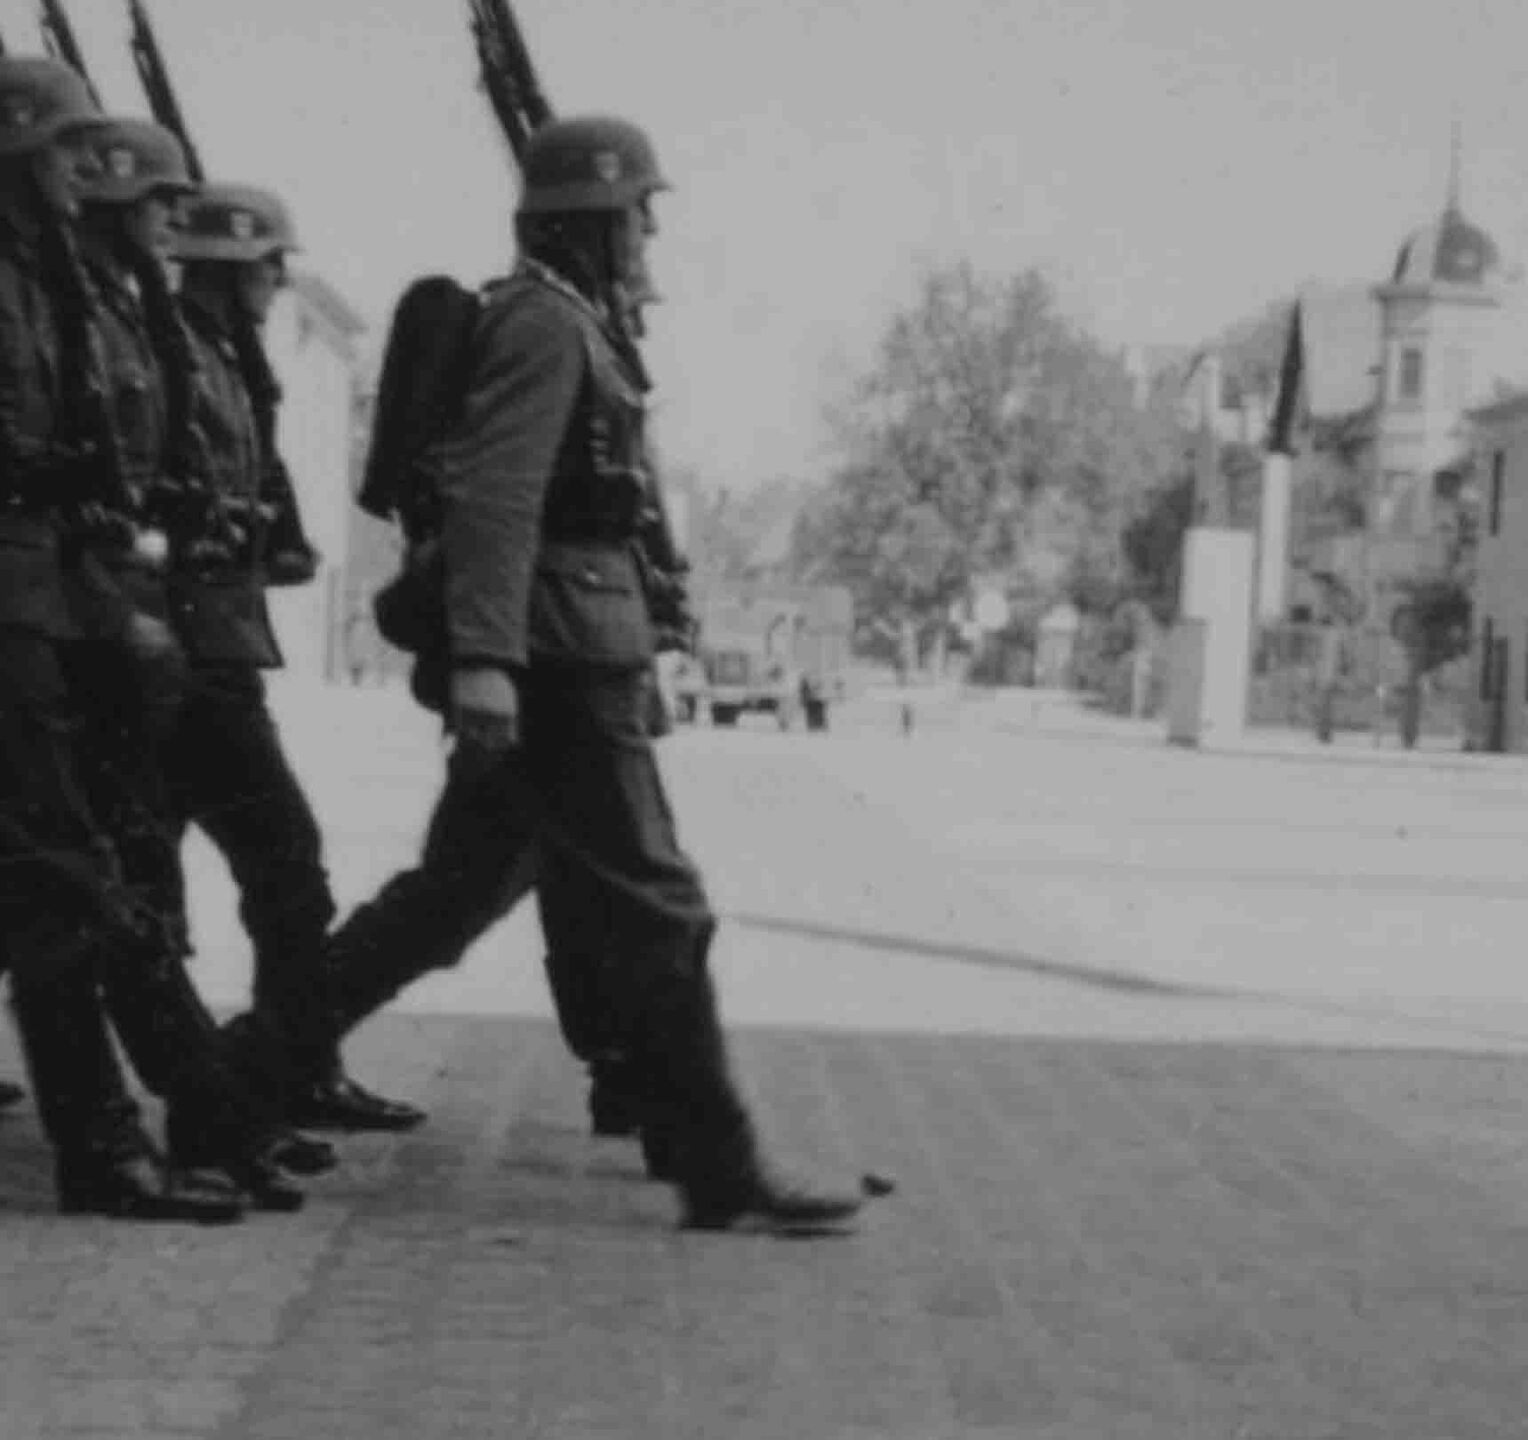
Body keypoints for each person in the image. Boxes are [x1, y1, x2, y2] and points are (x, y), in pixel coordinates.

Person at [224, 115, 886, 1232]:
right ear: (590, 218)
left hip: (570, 652)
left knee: (448, 903)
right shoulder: (542, 323)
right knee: (659, 906)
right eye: (637, 216)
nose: (647, 237)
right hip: (558, 666)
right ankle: (720, 1166)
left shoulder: (575, 321)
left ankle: (229, 1078)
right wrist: (486, 661)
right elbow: (498, 495)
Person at [0, 65, 317, 1222]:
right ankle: (110, 1146)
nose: (82, 175)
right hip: (24, 612)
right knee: (63, 886)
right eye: (64, 153)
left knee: (107, 882)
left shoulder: (61, 291)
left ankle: (209, 1123)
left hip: (68, 607)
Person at [157, 180, 424, 1137]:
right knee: (265, 869)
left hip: (215, 653)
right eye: (269, 266)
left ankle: (286, 1075)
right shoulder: (174, 353)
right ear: (230, 271)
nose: (279, 283)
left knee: (262, 873)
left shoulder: (231, 361)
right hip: (172, 662)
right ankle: (259, 1088)